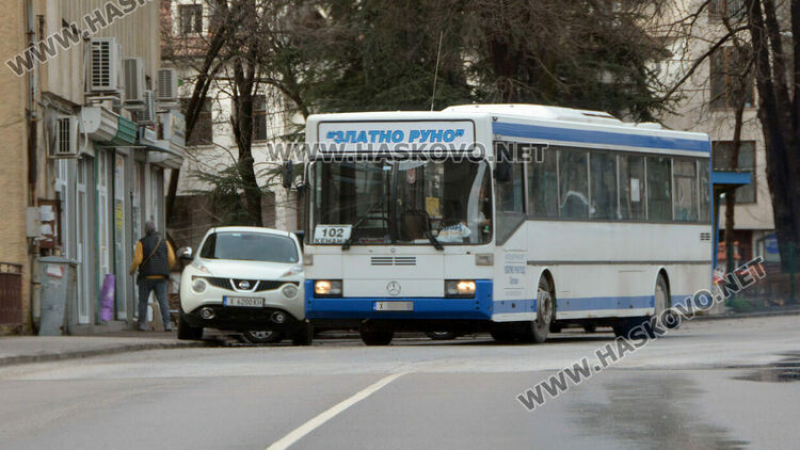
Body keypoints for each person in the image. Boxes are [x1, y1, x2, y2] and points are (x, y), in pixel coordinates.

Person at [129, 221, 176, 331]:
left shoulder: (141, 243)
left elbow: (137, 260)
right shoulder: (165, 242)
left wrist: (132, 270)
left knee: (143, 300)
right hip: (161, 276)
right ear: (155, 230)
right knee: (163, 300)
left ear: (145, 231)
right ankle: (167, 324)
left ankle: (141, 324)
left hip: (146, 276)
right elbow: (172, 259)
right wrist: (166, 268)